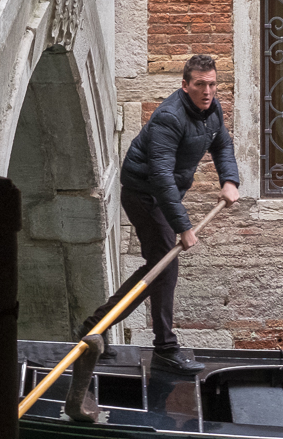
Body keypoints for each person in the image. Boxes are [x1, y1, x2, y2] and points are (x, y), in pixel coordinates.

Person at [80, 54, 240, 373]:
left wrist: (229, 179)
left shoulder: (213, 109)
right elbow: (161, 177)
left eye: (212, 84)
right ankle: (164, 347)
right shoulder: (169, 117)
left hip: (163, 197)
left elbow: (222, 145)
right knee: (164, 269)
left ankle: (94, 327)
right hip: (143, 195)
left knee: (160, 268)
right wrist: (183, 227)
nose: (207, 91)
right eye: (200, 85)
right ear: (185, 85)